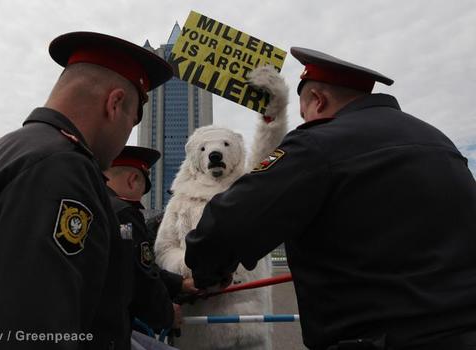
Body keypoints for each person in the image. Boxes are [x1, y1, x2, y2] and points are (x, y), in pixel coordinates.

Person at [184, 47, 476, 350]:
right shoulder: (439, 142)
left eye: (303, 113)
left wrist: (207, 274)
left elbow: (228, 225)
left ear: (318, 101)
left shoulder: (318, 144)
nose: (305, 121)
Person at [0, 32, 173, 350]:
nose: (127, 135)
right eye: (132, 120)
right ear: (115, 104)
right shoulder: (62, 168)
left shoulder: (1, 151)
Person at [104, 146, 195, 335]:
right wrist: (168, 314)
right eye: (143, 190)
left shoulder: (86, 201)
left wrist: (180, 283)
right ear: (133, 180)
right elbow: (138, 275)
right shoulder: (124, 215)